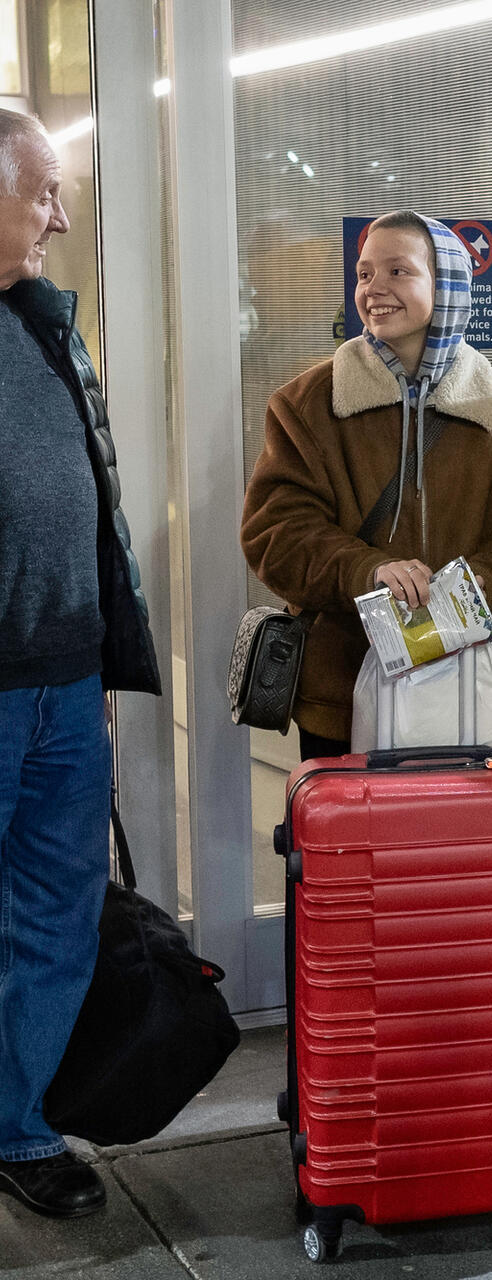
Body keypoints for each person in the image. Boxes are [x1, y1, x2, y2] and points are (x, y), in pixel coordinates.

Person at [0, 108, 161, 1217]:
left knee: (54, 908)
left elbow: (89, 498)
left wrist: (102, 654)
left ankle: (17, 1125)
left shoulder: (47, 323)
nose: (61, 213)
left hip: (61, 681)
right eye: (43, 190)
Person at [241, 212, 492, 756]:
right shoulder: (306, 405)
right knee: (352, 842)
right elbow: (275, 533)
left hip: (472, 696)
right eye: (364, 274)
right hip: (342, 696)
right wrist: (368, 571)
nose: (375, 289)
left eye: (398, 271)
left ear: (449, 287)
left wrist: (484, 583)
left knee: (457, 842)